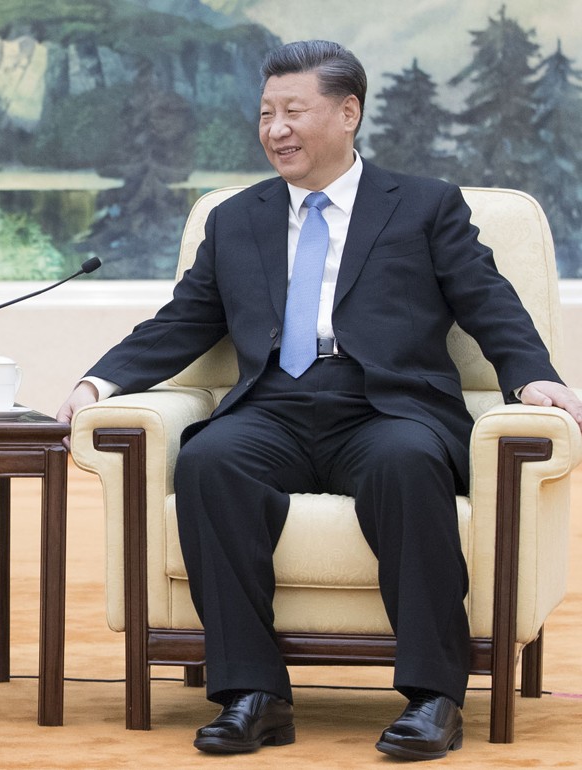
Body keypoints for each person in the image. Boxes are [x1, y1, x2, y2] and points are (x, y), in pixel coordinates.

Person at [58, 40, 582, 761]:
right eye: (267, 112)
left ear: (348, 113)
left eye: (294, 111)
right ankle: (254, 696)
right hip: (273, 405)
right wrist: (97, 382)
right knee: (210, 462)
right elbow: (184, 320)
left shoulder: (424, 205)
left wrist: (532, 376)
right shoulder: (237, 218)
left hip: (386, 408)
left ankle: (434, 697)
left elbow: (488, 301)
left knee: (407, 465)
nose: (276, 128)